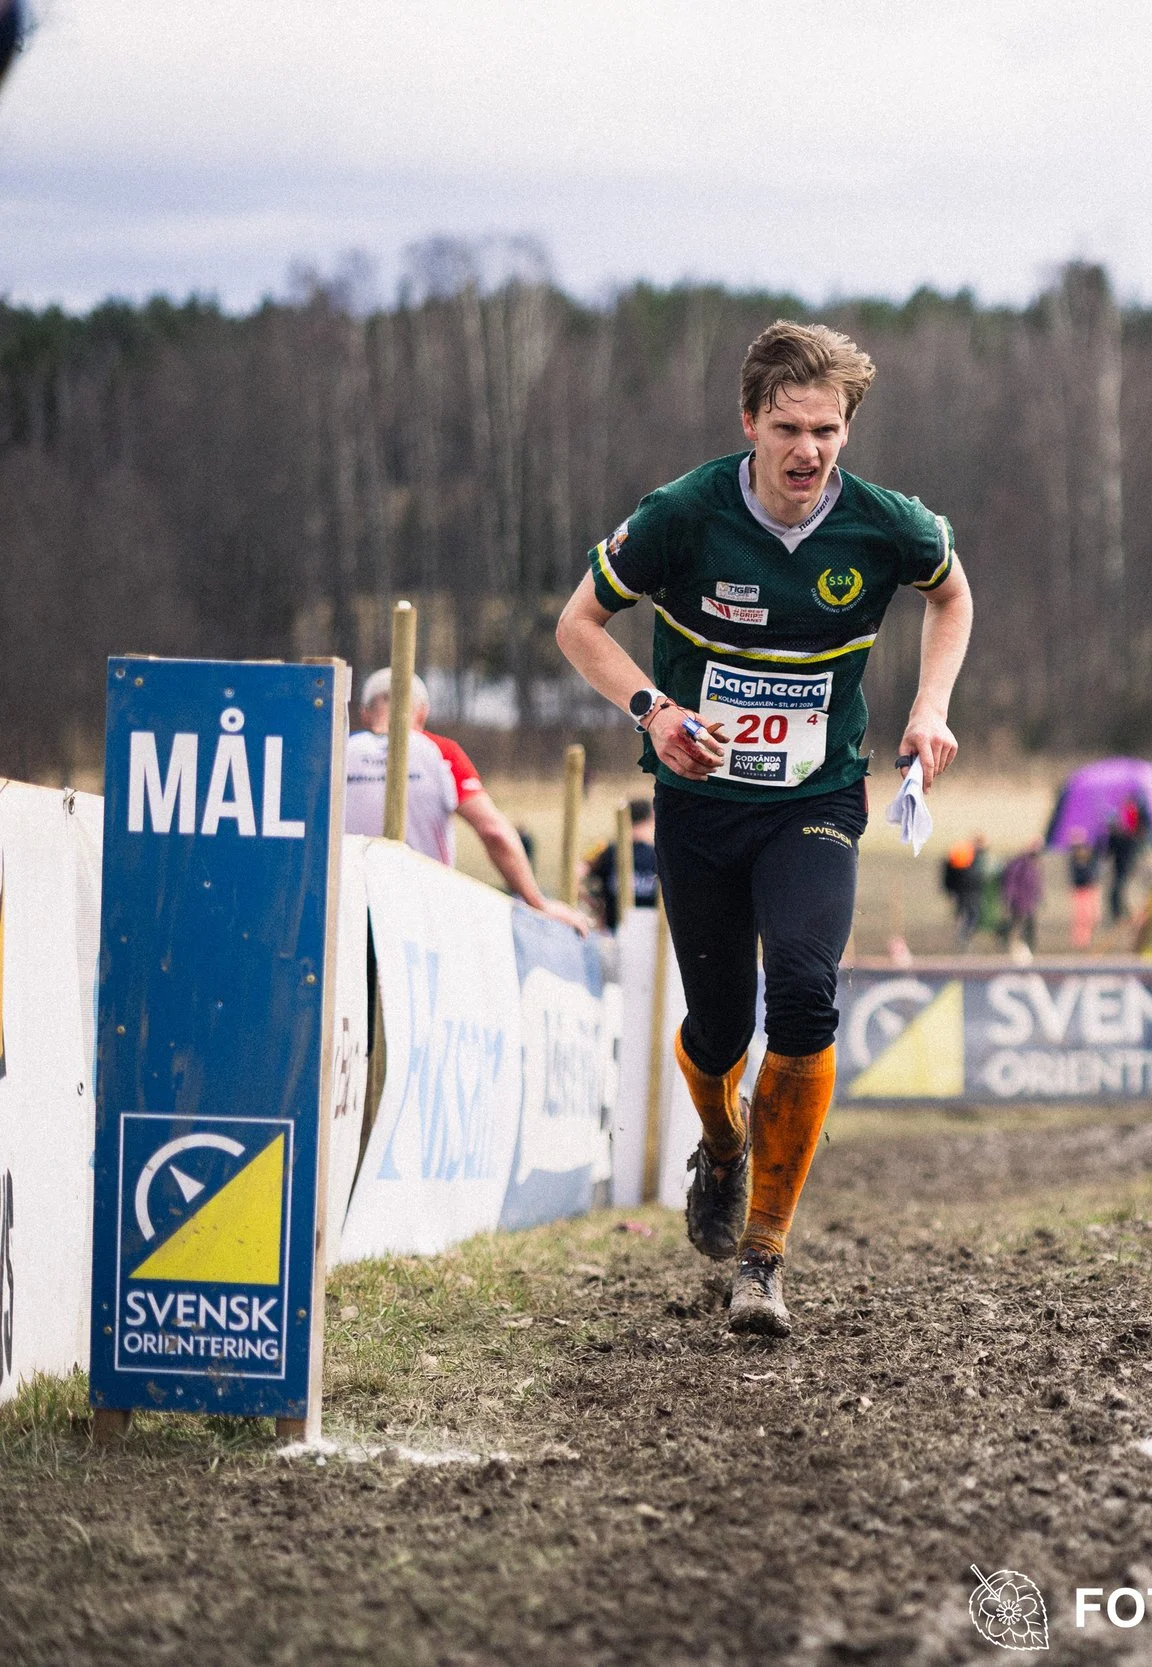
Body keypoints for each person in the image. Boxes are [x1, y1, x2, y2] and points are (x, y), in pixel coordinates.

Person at [553, 320, 973, 1337]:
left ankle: (763, 1258)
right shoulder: (683, 515)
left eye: (827, 429)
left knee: (804, 988)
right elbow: (577, 625)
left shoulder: (887, 525)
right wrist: (655, 708)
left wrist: (928, 707)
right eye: (788, 426)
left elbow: (951, 594)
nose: (808, 450)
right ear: (749, 422)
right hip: (699, 806)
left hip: (816, 801)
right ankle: (723, 1146)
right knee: (718, 1028)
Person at [343, 671, 587, 930]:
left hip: (351, 910)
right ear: (422, 713)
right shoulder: (440, 753)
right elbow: (494, 832)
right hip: (422, 912)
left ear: (365, 713)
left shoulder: (338, 751)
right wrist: (538, 903)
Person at [580, 798, 659, 931]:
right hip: (653, 936)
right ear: (651, 818)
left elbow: (575, 874)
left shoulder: (606, 850)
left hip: (612, 932)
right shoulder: (659, 855)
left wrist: (593, 903)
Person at [999, 839, 1043, 959]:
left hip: (1028, 901)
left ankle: (1029, 948)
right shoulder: (1020, 864)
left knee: (1029, 926)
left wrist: (1039, 896)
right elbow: (1011, 882)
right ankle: (1008, 944)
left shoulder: (1033, 864)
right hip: (1019, 901)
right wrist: (1009, 897)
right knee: (1016, 923)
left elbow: (1036, 883)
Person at [942, 835, 988, 949]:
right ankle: (963, 937)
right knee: (972, 914)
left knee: (964, 914)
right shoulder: (969, 855)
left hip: (963, 891)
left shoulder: (963, 854)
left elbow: (949, 874)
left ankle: (962, 937)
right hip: (968, 891)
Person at [1103, 795, 1144, 922]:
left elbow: (1109, 852)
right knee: (1120, 889)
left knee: (1119, 889)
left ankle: (1120, 913)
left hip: (1122, 865)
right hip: (1123, 865)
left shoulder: (1118, 836)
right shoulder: (1125, 836)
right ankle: (1120, 913)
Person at [1065, 834, 1103, 950]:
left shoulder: (1092, 861)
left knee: (1093, 916)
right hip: (1080, 890)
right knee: (1082, 916)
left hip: (1090, 889)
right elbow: (1077, 878)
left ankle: (1087, 938)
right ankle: (1080, 940)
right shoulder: (1075, 863)